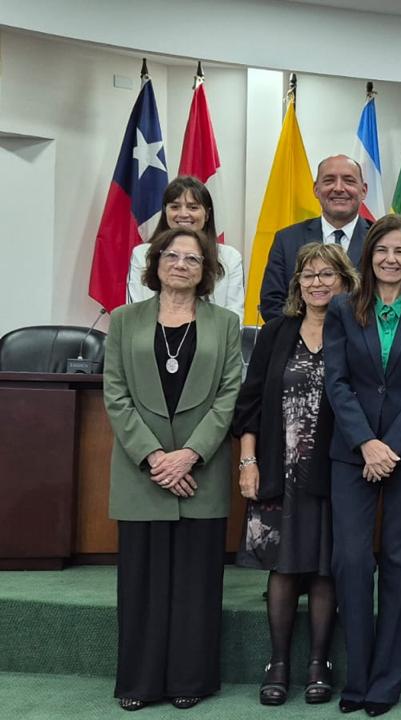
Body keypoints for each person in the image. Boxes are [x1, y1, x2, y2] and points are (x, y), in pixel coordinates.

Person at [104, 226, 242, 711]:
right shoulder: (123, 320)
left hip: (200, 474)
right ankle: (139, 682)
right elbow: (115, 394)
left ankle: (190, 678)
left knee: (195, 583)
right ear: (155, 262)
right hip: (143, 473)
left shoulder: (225, 323)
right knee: (140, 583)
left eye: (192, 258)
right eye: (172, 255)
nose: (181, 264)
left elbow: (230, 396)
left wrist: (191, 454)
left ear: (206, 271)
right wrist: (155, 457)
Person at [323, 213, 401, 716]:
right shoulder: (340, 309)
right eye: (382, 251)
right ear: (368, 256)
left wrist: (390, 446)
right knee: (351, 562)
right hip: (352, 454)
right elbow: (338, 382)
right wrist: (366, 445)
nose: (391, 259)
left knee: (400, 562)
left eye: (400, 252)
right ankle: (357, 677)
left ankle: (387, 681)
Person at [233, 242, 359, 706]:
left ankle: (319, 663)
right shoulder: (276, 332)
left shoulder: (354, 331)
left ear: (345, 282)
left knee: (325, 568)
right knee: (284, 567)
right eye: (308, 275)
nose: (317, 283)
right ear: (297, 284)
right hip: (278, 471)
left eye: (327, 275)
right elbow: (249, 403)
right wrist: (248, 461)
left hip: (334, 471)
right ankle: (279, 662)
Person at [260, 155, 371, 322]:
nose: (339, 188)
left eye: (348, 181)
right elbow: (272, 304)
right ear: (316, 189)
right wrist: (309, 337)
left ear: (363, 190)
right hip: (300, 344)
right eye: (329, 181)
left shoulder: (380, 240)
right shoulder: (287, 239)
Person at [127, 176, 246, 322]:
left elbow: (235, 319)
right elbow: (135, 313)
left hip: (213, 342)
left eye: (193, 207)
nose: (183, 214)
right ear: (165, 212)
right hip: (153, 339)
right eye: (175, 207)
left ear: (207, 214)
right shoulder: (142, 254)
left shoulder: (229, 257)